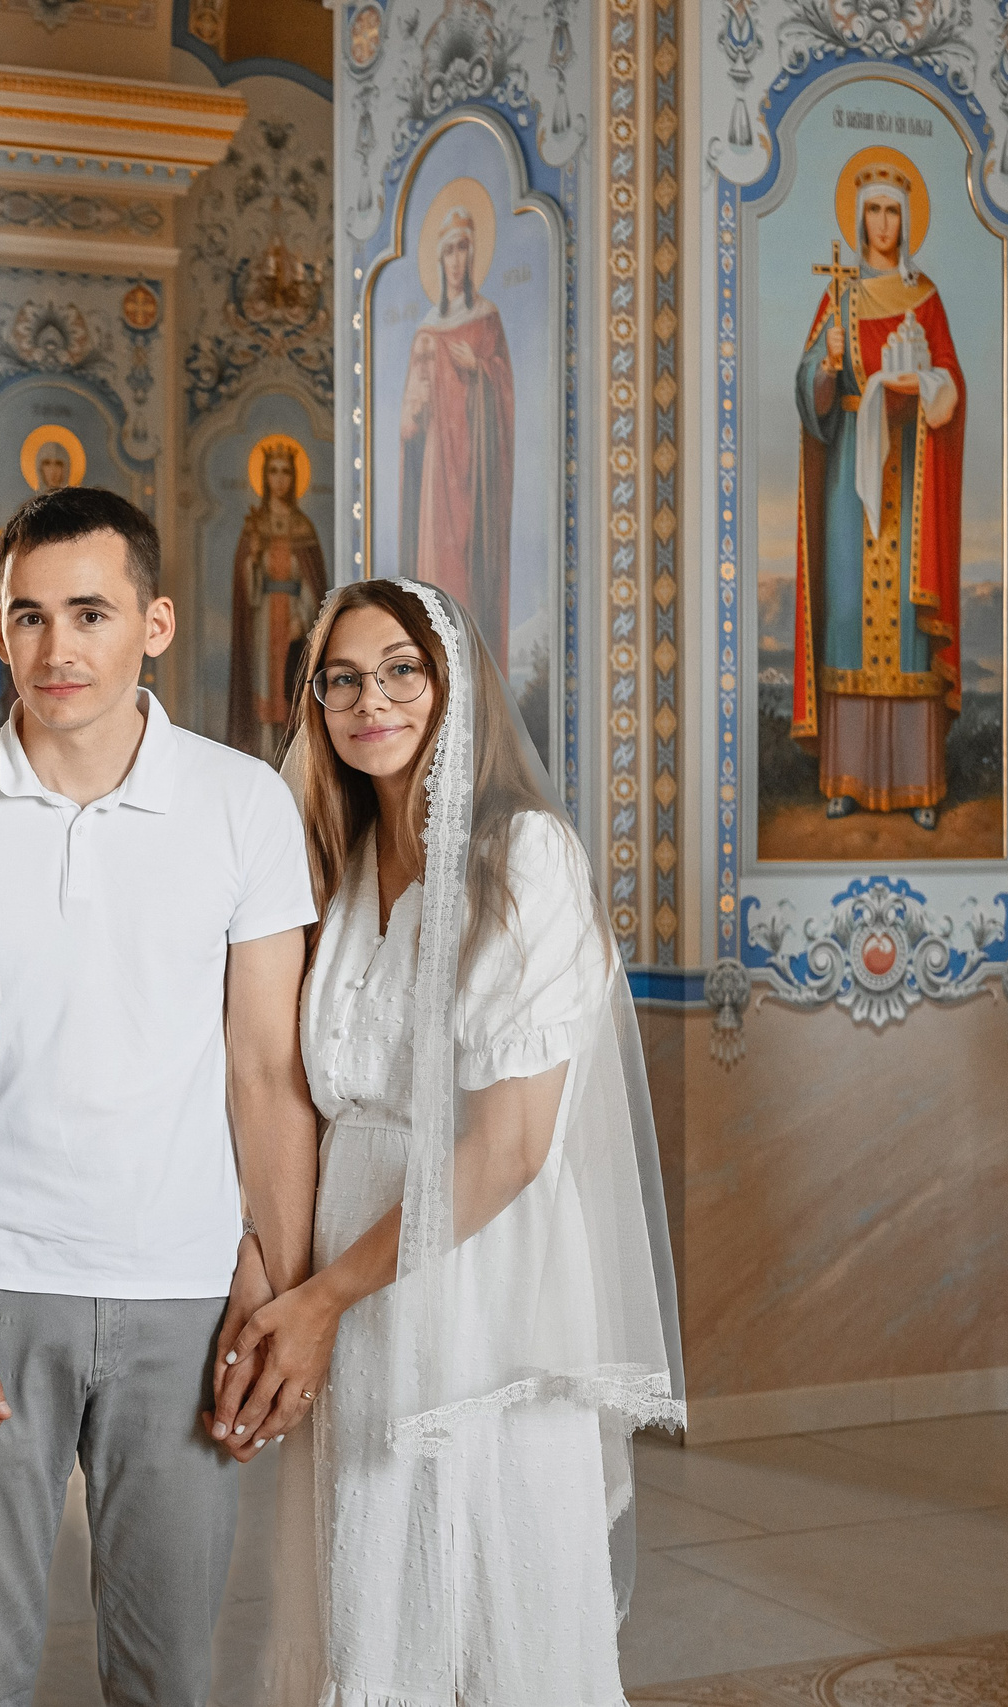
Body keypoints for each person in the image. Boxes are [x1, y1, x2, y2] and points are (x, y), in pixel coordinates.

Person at [215, 578, 685, 1707]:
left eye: (400, 672)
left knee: (483, 1575)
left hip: (470, 1267)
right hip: (342, 1240)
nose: (368, 701)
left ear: (455, 683)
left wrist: (325, 1300)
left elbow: (510, 1146)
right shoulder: (333, 863)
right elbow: (279, 1085)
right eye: (341, 680)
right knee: (359, 1579)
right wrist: (271, 1267)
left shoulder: (522, 858)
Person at [0, 485, 321, 1705]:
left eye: (89, 613)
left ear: (153, 623)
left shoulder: (242, 801)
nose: (57, 648)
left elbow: (266, 1069)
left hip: (185, 1293)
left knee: (166, 1672)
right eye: (28, 616)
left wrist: (275, 1277)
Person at [792, 150, 965, 828]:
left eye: (894, 210)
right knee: (847, 618)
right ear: (860, 219)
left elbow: (950, 378)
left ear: (906, 219)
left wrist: (929, 384)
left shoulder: (925, 298)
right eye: (875, 211)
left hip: (911, 473)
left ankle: (918, 786)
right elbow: (810, 387)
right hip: (849, 482)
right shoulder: (840, 295)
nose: (885, 222)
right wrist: (827, 367)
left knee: (908, 633)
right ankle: (847, 777)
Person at [398, 201, 516, 668]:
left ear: (472, 255)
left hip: (478, 475)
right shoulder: (427, 332)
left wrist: (481, 370)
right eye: (448, 251)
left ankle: (472, 667)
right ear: (439, 259)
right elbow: (410, 421)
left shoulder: (487, 320)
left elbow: (504, 393)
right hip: (437, 475)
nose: (455, 260)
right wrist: (414, 416)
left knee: (472, 569)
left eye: (463, 249)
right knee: (439, 570)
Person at [229, 438, 328, 762]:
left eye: (286, 471)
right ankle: (263, 755)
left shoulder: (303, 527)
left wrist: (303, 617)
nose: (280, 478)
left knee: (289, 687)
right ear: (265, 476)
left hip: (293, 621)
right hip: (263, 620)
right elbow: (246, 586)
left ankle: (290, 759)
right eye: (273, 471)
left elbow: (311, 582)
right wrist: (254, 558)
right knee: (263, 685)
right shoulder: (254, 526)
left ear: (294, 477)